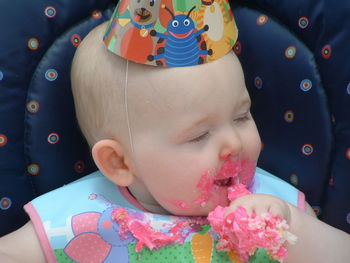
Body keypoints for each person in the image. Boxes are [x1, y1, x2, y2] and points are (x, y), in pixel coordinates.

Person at [1, 15, 350, 263]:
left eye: (242, 116)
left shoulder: (271, 206)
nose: (233, 143)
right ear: (119, 162)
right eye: (199, 135)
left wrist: (292, 224)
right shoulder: (77, 219)